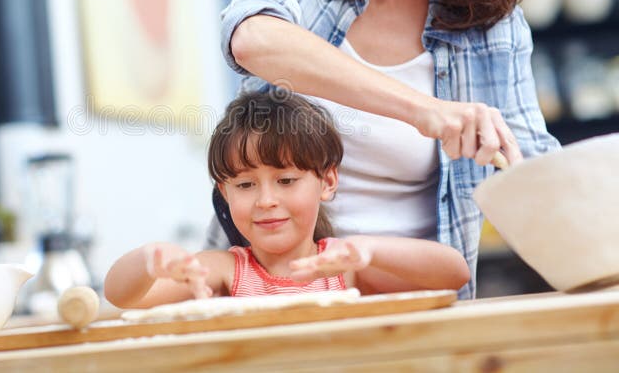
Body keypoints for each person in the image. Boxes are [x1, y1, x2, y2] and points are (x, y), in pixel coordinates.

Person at [209, 0, 560, 299]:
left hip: (413, 304)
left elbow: (536, 171)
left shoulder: (490, 24)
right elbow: (253, 39)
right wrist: (421, 110)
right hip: (268, 295)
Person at [105, 92, 470, 309]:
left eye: (286, 180)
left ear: (327, 181)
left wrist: (368, 249)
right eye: (246, 186)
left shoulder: (342, 268)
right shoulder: (223, 271)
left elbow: (454, 274)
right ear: (224, 193)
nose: (266, 200)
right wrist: (148, 260)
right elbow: (126, 298)